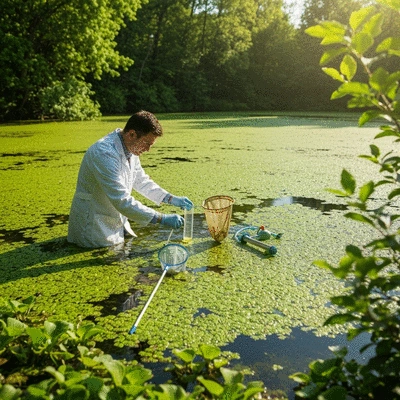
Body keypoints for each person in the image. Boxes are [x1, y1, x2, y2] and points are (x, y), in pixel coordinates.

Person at [67, 110, 193, 248]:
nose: (148, 149)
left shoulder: (131, 148)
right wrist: (161, 218)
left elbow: (141, 181)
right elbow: (121, 200)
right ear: (132, 134)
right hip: (92, 226)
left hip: (113, 221)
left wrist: (170, 198)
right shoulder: (104, 153)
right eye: (147, 143)